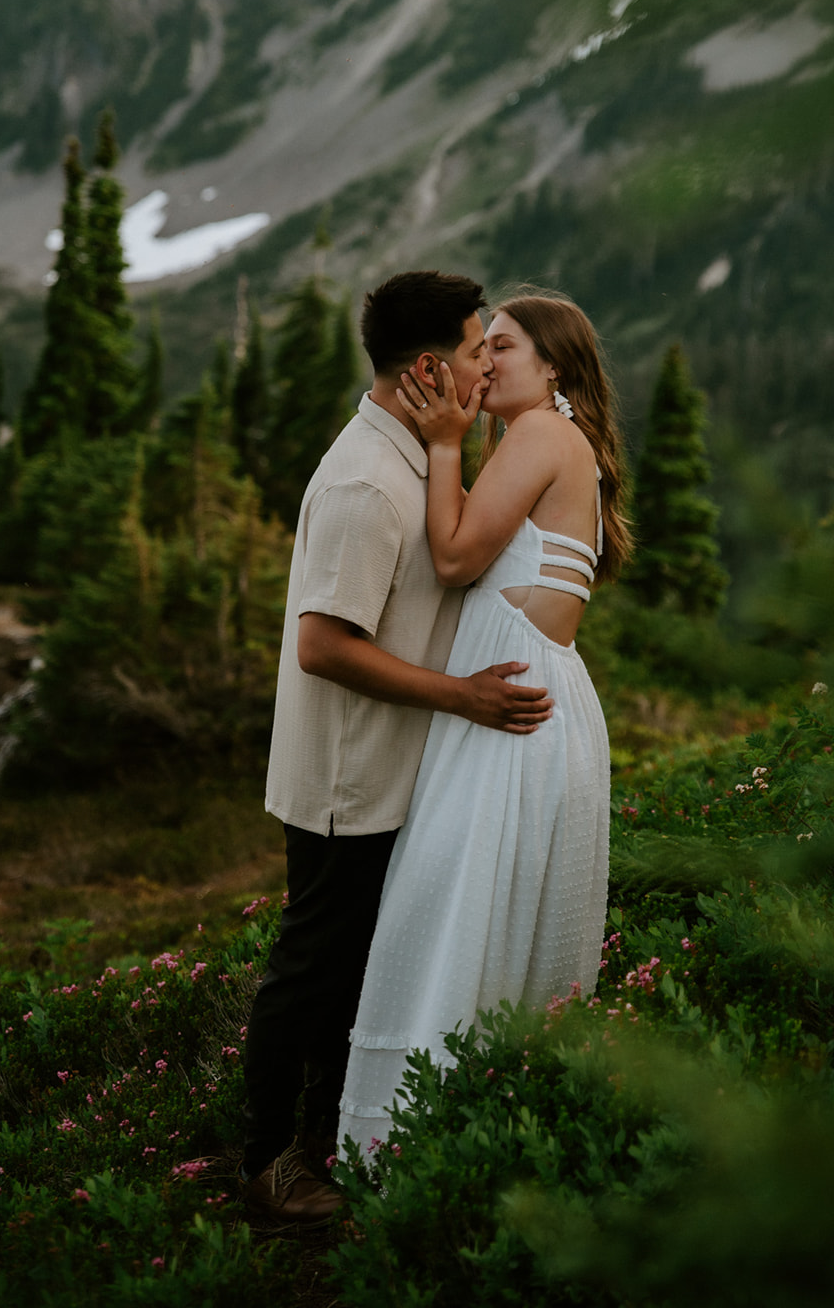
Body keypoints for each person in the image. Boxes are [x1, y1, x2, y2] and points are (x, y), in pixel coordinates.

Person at [241, 271, 557, 1228]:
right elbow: (323, 645)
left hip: (399, 764)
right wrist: (462, 697)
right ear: (428, 367)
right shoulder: (365, 485)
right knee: (313, 968)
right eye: (473, 352)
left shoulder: (418, 453)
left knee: (360, 966)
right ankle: (264, 1167)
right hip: (349, 775)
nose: (484, 367)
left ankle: (334, 1144)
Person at [338, 291, 631, 1157]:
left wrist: (439, 447)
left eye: (503, 347)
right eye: (485, 346)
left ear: (552, 369)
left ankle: (418, 1145)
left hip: (510, 703)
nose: (485, 362)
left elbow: (457, 556)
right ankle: (476, 1139)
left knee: (456, 904)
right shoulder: (543, 441)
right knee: (484, 907)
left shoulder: (540, 433)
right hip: (525, 696)